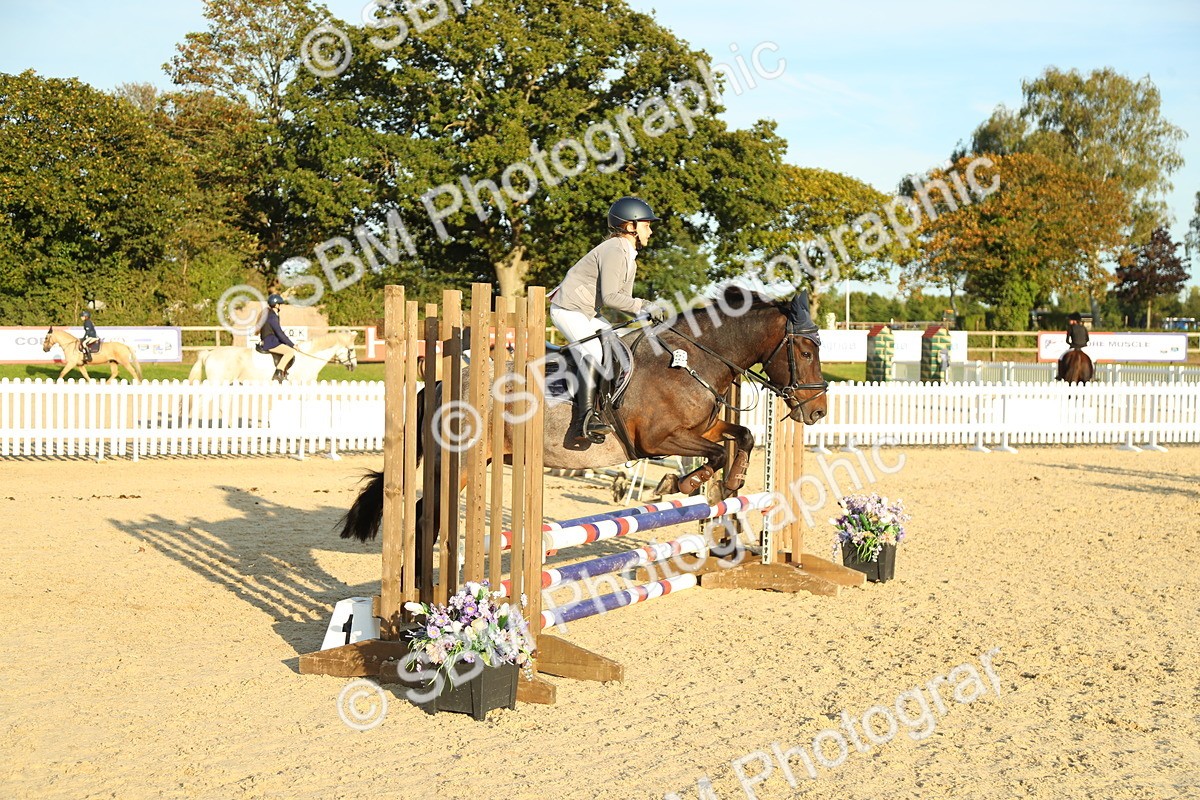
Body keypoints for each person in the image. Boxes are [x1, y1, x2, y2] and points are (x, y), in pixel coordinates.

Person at [548, 197, 668, 445]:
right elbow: (613, 297)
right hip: (567, 309)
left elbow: (623, 299)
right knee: (592, 349)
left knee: (616, 345)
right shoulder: (614, 249)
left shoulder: (628, 255)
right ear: (630, 226)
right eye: (647, 225)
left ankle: (606, 408)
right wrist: (645, 305)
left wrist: (645, 316)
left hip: (586, 312)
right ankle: (584, 419)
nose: (651, 230)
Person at [257, 294, 298, 382]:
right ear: (276, 305)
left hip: (269, 340)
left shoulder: (268, 314)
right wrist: (292, 345)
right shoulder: (272, 316)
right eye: (279, 304)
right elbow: (279, 333)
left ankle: (283, 371)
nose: (280, 306)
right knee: (290, 351)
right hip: (271, 342)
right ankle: (278, 373)